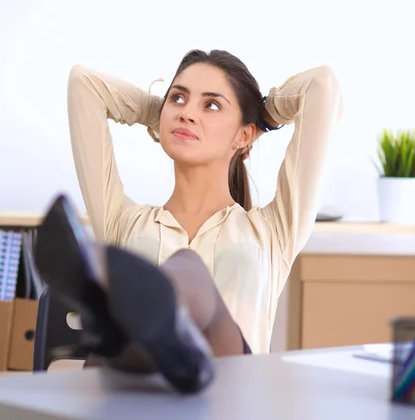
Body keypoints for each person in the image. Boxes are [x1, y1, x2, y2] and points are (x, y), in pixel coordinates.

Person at [35, 49, 343, 394]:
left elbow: (322, 85)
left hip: (233, 403)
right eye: (178, 98)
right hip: (143, 403)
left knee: (187, 266)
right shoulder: (125, 222)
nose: (187, 113)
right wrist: (162, 114)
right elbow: (83, 84)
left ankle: (125, 326)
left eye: (211, 105)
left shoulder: (273, 230)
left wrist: (261, 114)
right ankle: (140, 337)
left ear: (243, 136)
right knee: (174, 278)